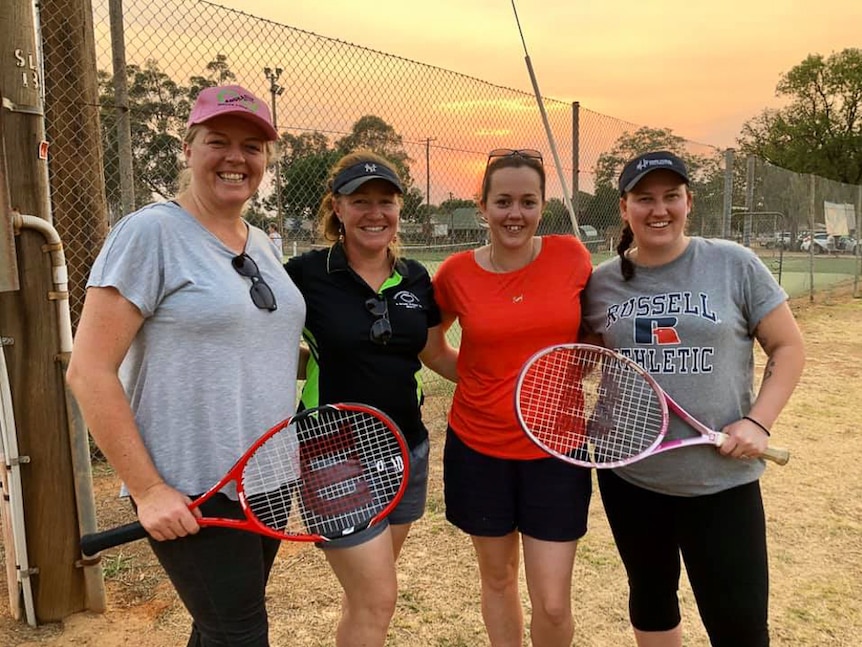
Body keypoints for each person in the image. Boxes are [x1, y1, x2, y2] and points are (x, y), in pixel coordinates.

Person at [67, 84, 305, 647]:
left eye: (252, 146)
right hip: (194, 485)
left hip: (267, 477)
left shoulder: (263, 242)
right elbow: (89, 369)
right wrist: (149, 490)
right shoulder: (150, 233)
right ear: (188, 148)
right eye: (217, 141)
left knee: (221, 627)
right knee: (239, 634)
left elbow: (256, 345)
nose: (236, 158)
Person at [581, 150, 805, 647]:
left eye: (671, 197)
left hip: (720, 480)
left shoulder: (733, 264)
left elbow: (788, 347)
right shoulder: (601, 283)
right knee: (651, 597)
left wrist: (758, 423)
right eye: (644, 198)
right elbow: (583, 362)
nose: (658, 209)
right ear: (624, 208)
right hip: (632, 473)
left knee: (740, 624)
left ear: (689, 202)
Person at [284, 150, 457, 647]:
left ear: (400, 209)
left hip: (407, 448)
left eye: (386, 201)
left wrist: (496, 378)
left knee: (366, 597)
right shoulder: (304, 274)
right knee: (377, 597)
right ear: (337, 208)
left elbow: (434, 355)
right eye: (361, 201)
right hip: (331, 450)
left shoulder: (416, 278)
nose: (375, 212)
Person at [431, 148, 593, 646]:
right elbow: (432, 346)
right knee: (498, 580)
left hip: (558, 451)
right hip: (479, 449)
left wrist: (560, 378)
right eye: (503, 201)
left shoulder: (572, 256)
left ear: (543, 205)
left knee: (552, 600)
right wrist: (485, 383)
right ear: (482, 205)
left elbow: (591, 337)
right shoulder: (456, 274)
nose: (514, 214)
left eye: (527, 201)